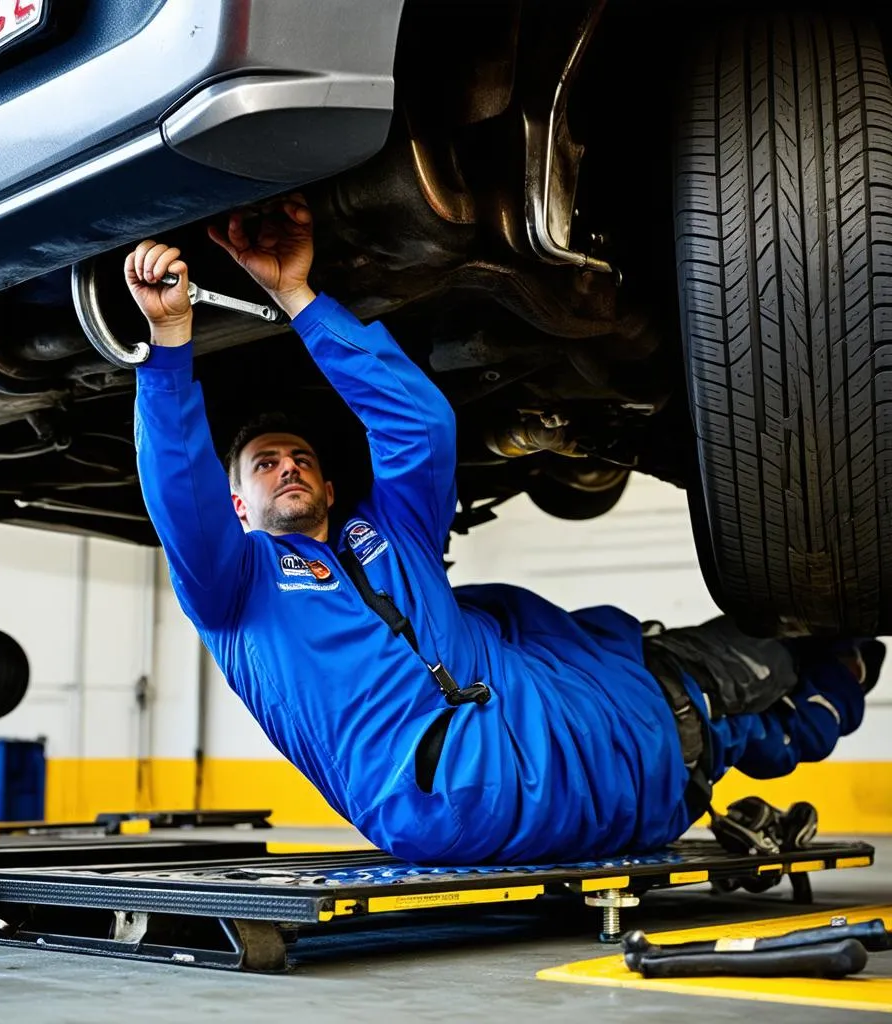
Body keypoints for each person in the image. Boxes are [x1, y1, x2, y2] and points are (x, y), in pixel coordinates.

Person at [125, 195, 881, 865]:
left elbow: (419, 428)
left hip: (569, 737)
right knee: (722, 687)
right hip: (455, 788)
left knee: (714, 706)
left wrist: (299, 296)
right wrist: (169, 344)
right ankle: (833, 660)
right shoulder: (235, 590)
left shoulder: (388, 535)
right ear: (237, 508)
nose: (287, 468)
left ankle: (823, 668)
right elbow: (179, 487)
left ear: (328, 484)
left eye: (301, 459)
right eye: (263, 465)